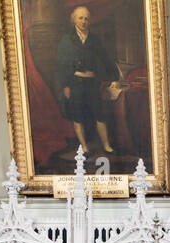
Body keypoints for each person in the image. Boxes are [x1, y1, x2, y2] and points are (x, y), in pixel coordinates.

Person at [55, 6, 118, 154]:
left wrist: (113, 77)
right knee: (78, 115)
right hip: (75, 83)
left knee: (99, 114)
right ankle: (84, 146)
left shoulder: (95, 39)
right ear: (74, 20)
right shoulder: (67, 39)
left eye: (86, 18)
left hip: (92, 83)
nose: (84, 21)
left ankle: (106, 144)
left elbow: (105, 59)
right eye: (80, 18)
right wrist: (65, 85)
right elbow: (61, 64)